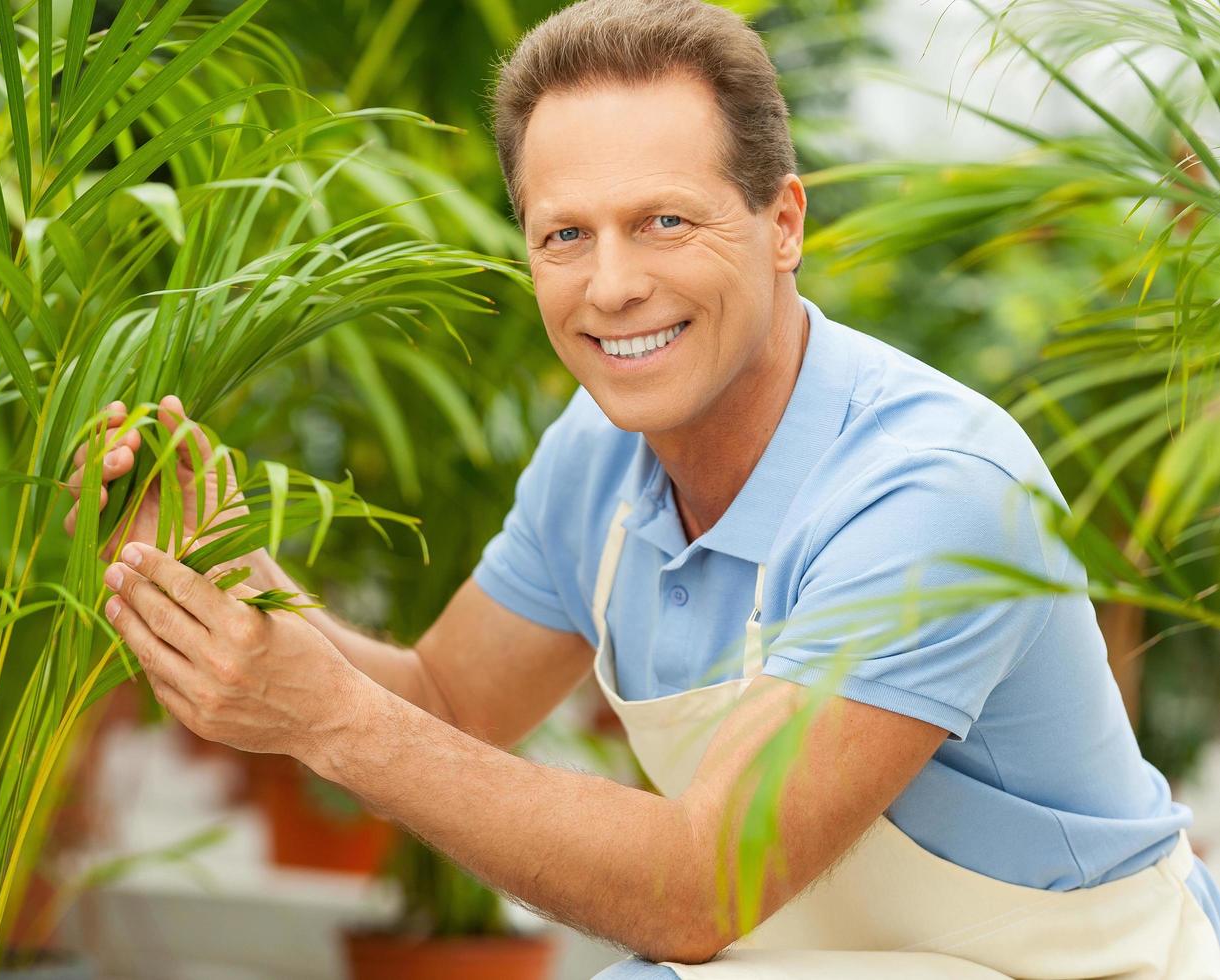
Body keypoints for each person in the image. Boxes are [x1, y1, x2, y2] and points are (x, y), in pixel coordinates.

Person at [64, 0, 1220, 975]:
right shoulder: (600, 452)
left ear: (782, 222)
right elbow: (451, 706)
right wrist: (227, 577)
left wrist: (327, 715)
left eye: (665, 221)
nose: (612, 285)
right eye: (565, 234)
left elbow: (702, 886)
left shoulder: (929, 489)